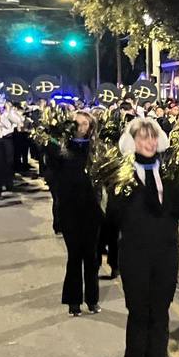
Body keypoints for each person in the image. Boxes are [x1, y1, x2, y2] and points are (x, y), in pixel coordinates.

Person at [112, 118, 179, 357]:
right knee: (138, 309)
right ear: (133, 142)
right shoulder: (123, 174)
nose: (149, 143)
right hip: (135, 252)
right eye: (143, 138)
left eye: (152, 137)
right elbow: (113, 216)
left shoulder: (168, 171)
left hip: (165, 251)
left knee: (161, 309)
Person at [49, 111, 103, 316]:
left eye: (85, 124)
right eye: (77, 123)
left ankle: (92, 299)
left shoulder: (95, 149)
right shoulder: (61, 147)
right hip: (70, 209)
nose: (80, 127)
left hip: (91, 210)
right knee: (74, 256)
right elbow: (51, 166)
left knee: (91, 256)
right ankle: (73, 301)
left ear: (90, 127)